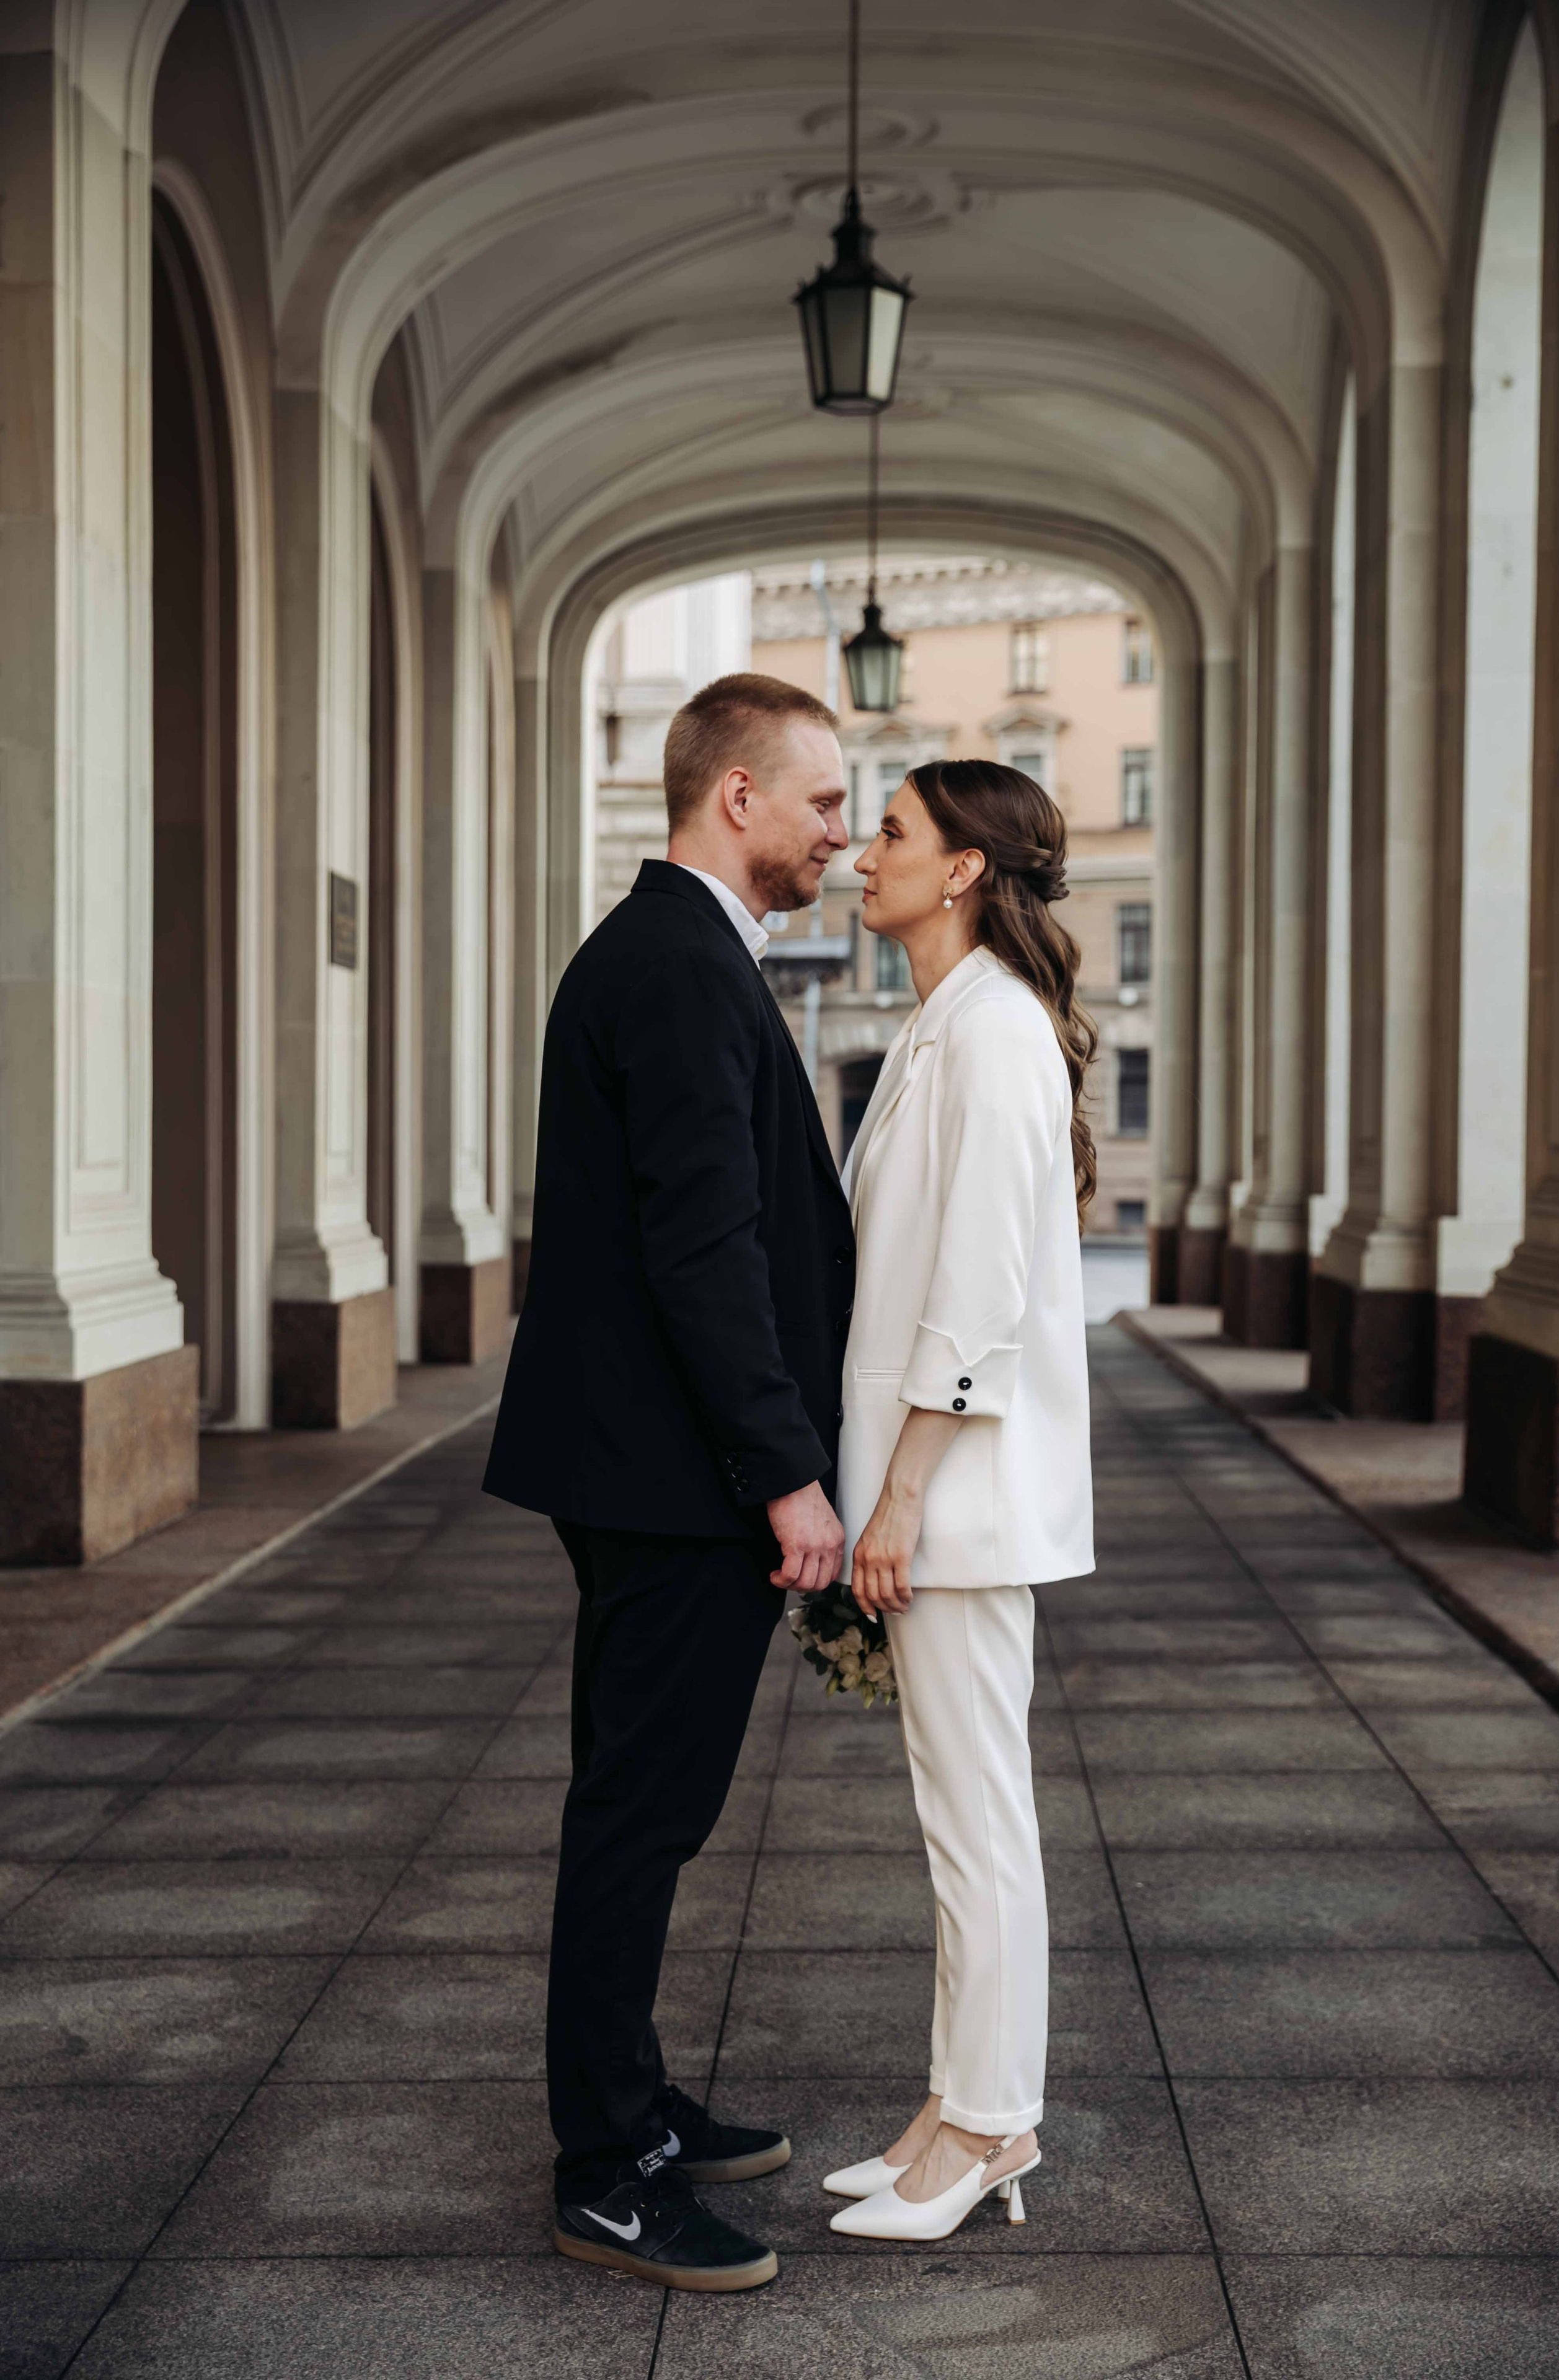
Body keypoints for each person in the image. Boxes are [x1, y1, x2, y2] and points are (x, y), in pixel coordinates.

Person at [484, 674, 854, 2291]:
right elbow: (706, 1249)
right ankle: (607, 2168)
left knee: (648, 1810)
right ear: (740, 801)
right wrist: (787, 1476)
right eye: (827, 802)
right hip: (675, 1482)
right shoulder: (683, 971)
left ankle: (633, 2111)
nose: (842, 830)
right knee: (638, 1818)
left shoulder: (678, 958)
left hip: (651, 1469)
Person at [821, 758, 1096, 2243]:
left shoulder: (988, 1032)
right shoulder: (942, 1023)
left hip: (960, 1492)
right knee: (955, 1811)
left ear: (963, 870)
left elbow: (977, 1290)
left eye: (890, 833)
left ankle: (991, 2127)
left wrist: (901, 1493)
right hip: (933, 1484)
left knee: (978, 1817)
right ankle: (952, 2106)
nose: (862, 854)